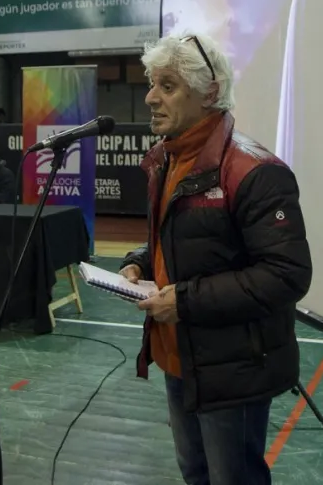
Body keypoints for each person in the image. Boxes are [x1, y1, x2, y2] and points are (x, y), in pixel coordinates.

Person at [118, 32, 312, 485]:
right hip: (179, 356)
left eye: (167, 86)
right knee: (196, 474)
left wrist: (184, 302)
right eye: (151, 84)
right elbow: (186, 241)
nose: (150, 97)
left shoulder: (255, 171)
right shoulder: (166, 160)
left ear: (208, 92)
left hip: (234, 368)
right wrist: (141, 264)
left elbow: (286, 274)